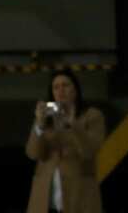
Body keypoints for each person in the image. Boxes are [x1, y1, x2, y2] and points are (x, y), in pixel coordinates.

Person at [25, 70, 106, 213]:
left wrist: (73, 124)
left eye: (65, 85)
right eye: (56, 87)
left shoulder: (92, 115)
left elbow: (89, 152)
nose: (60, 90)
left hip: (79, 197)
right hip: (45, 198)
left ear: (75, 89)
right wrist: (39, 125)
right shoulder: (46, 117)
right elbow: (32, 153)